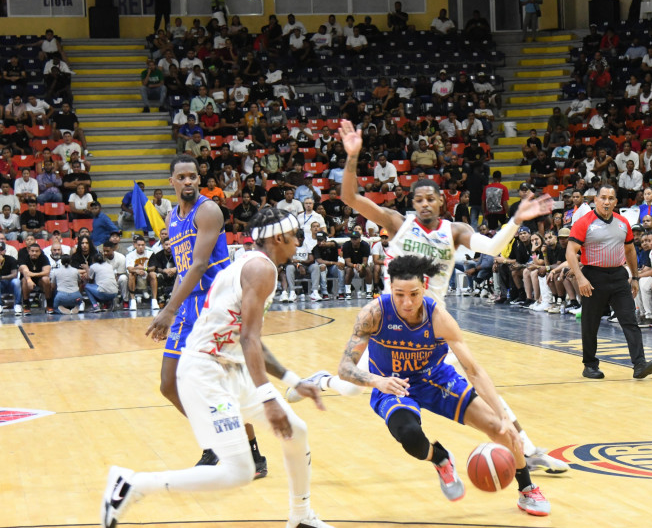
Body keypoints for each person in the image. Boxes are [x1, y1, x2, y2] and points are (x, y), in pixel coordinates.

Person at [288, 120, 565, 474]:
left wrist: (514, 221)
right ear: (412, 202)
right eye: (417, 199)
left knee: (479, 385)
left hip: (432, 322)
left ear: (441, 200)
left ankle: (526, 448)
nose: (424, 204)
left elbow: (494, 247)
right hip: (390, 320)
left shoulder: (456, 230)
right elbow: (349, 198)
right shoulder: (397, 223)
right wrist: (353, 156)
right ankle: (320, 381)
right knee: (353, 388)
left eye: (430, 198)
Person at [101, 207, 333, 528]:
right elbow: (250, 338)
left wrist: (293, 380)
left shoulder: (252, 264)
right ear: (278, 238)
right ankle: (133, 485)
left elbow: (247, 340)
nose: (298, 242)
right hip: (205, 370)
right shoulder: (260, 270)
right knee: (238, 472)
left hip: (229, 366)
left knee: (297, 432)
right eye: (295, 236)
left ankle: (300, 516)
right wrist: (269, 399)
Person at [336, 255, 551, 515]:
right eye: (399, 294)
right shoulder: (374, 313)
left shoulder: (438, 317)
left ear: (424, 288)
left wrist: (503, 415)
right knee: (410, 437)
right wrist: (377, 380)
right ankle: (439, 457)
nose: (407, 302)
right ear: (389, 288)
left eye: (414, 294)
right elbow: (345, 368)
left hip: (435, 378)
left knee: (499, 428)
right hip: (392, 384)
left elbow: (474, 370)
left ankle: (527, 489)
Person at [144, 155, 267, 475]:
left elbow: (199, 266)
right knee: (169, 384)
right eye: (181, 177)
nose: (188, 182)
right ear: (171, 182)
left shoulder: (208, 210)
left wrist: (168, 310)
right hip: (188, 306)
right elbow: (185, 268)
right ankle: (218, 439)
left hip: (215, 305)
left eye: (192, 177)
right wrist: (172, 306)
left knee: (220, 387)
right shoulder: (172, 217)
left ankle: (250, 453)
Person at [566, 185, 652, 380]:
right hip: (593, 276)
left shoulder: (623, 222)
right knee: (590, 323)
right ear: (596, 200)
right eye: (603, 198)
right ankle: (590, 365)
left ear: (616, 202)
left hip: (618, 275)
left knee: (629, 320)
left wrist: (634, 277)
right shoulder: (584, 222)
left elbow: (630, 251)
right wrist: (581, 277)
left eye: (611, 198)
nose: (607, 202)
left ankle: (639, 364)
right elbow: (570, 252)